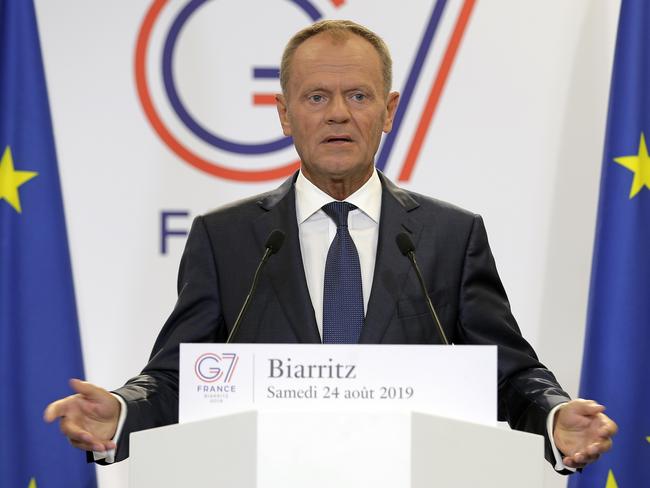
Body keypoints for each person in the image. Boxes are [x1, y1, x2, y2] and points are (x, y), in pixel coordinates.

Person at [45, 20, 616, 472]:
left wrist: (552, 414)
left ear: (389, 111)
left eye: (358, 95)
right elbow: (179, 378)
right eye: (316, 97)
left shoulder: (449, 237)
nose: (338, 113)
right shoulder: (228, 239)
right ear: (284, 114)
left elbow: (507, 372)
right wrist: (121, 411)